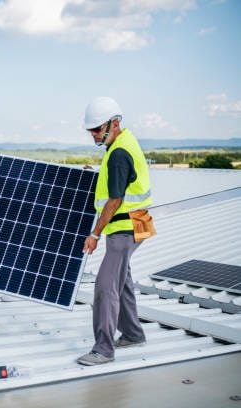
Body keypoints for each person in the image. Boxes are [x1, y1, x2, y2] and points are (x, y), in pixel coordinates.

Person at [76, 96, 152, 366]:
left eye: (97, 129)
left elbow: (115, 199)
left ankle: (103, 350)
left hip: (124, 228)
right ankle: (132, 333)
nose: (94, 135)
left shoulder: (118, 152)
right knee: (122, 280)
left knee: (105, 287)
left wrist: (95, 234)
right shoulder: (123, 143)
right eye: (91, 130)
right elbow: (122, 179)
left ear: (115, 123)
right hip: (138, 221)